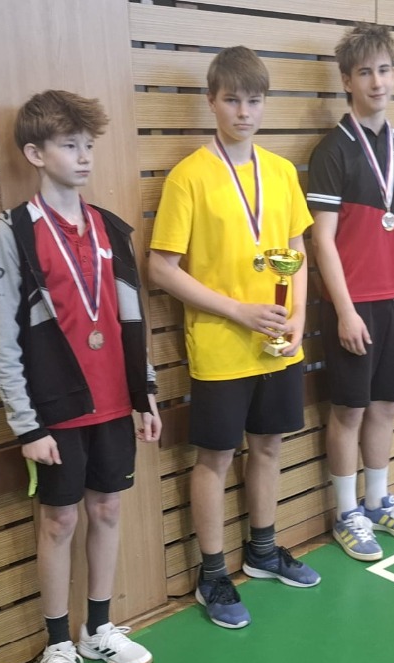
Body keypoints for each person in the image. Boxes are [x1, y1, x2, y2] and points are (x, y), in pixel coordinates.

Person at [0, 89, 161, 663]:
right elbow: (3, 338)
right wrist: (26, 424)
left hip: (114, 401)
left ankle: (98, 630)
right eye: (69, 145)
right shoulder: (12, 232)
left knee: (107, 511)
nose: (84, 156)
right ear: (36, 153)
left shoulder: (112, 229)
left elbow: (132, 319)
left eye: (89, 145)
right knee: (59, 521)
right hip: (54, 410)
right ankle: (58, 645)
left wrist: (146, 391)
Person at [149, 46, 321, 629]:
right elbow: (161, 268)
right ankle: (212, 574)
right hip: (221, 347)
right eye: (232, 100)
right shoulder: (189, 176)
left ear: (265, 103)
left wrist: (297, 316)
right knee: (216, 458)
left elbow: (297, 251)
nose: (243, 112)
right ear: (212, 101)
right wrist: (238, 311)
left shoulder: (281, 172)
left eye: (253, 100)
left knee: (269, 446)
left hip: (279, 344)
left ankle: (263, 551)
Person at [307, 23, 394, 562]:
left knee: (385, 407)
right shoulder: (332, 150)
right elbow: (322, 240)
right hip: (353, 307)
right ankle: (346, 512)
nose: (377, 82)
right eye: (365, 72)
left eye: (384, 70)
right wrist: (344, 311)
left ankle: (378, 500)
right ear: (347, 81)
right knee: (350, 411)